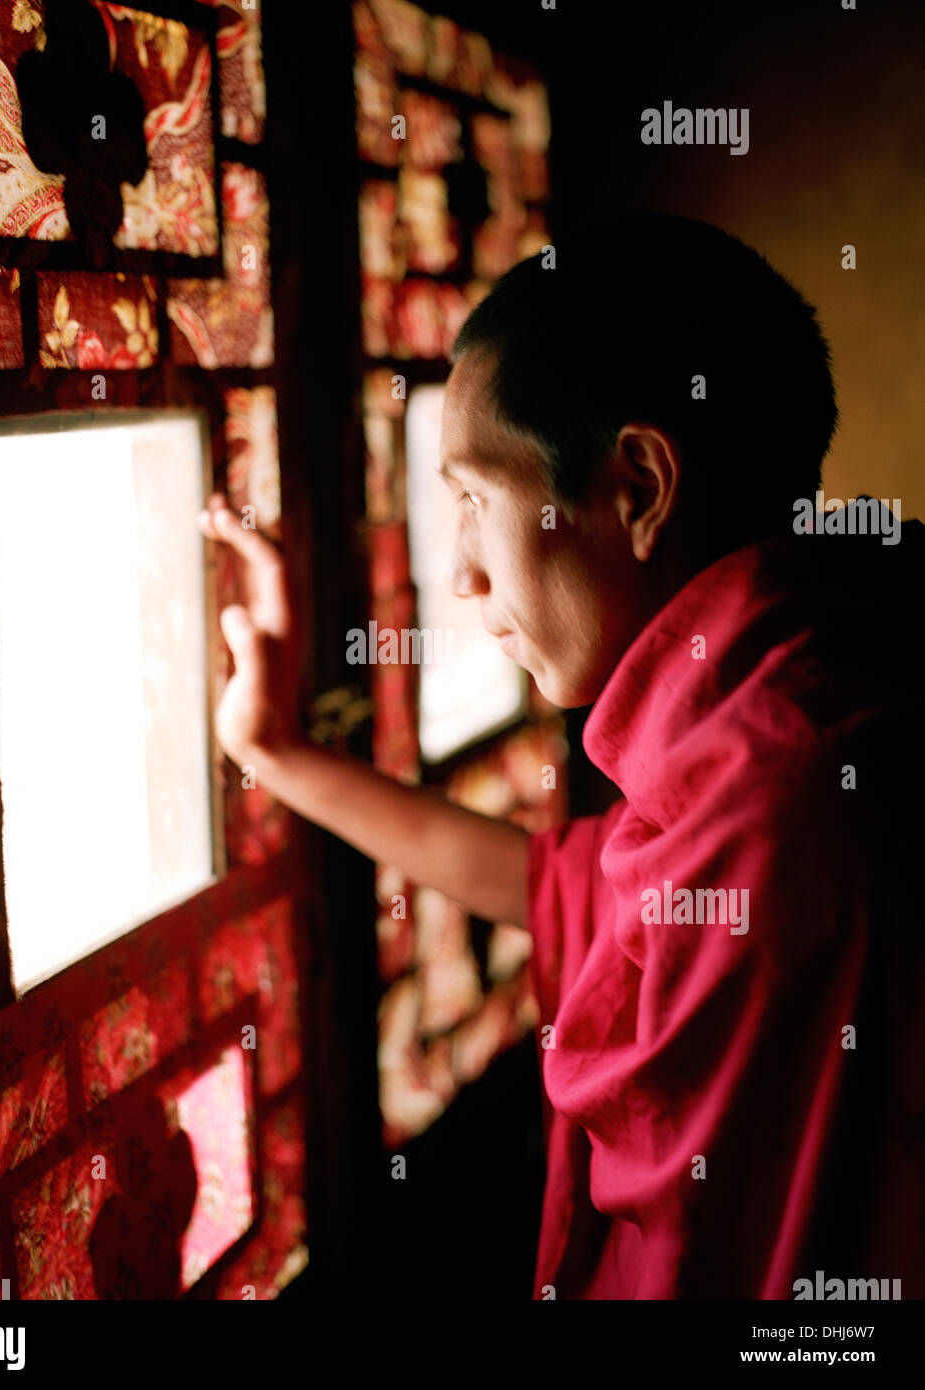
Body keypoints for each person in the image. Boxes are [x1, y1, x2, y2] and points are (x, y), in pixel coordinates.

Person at [196, 212, 923, 1300]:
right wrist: (277, 750)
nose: (460, 579)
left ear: (635, 487)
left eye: (474, 502)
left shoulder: (779, 805)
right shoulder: (765, 713)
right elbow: (549, 889)